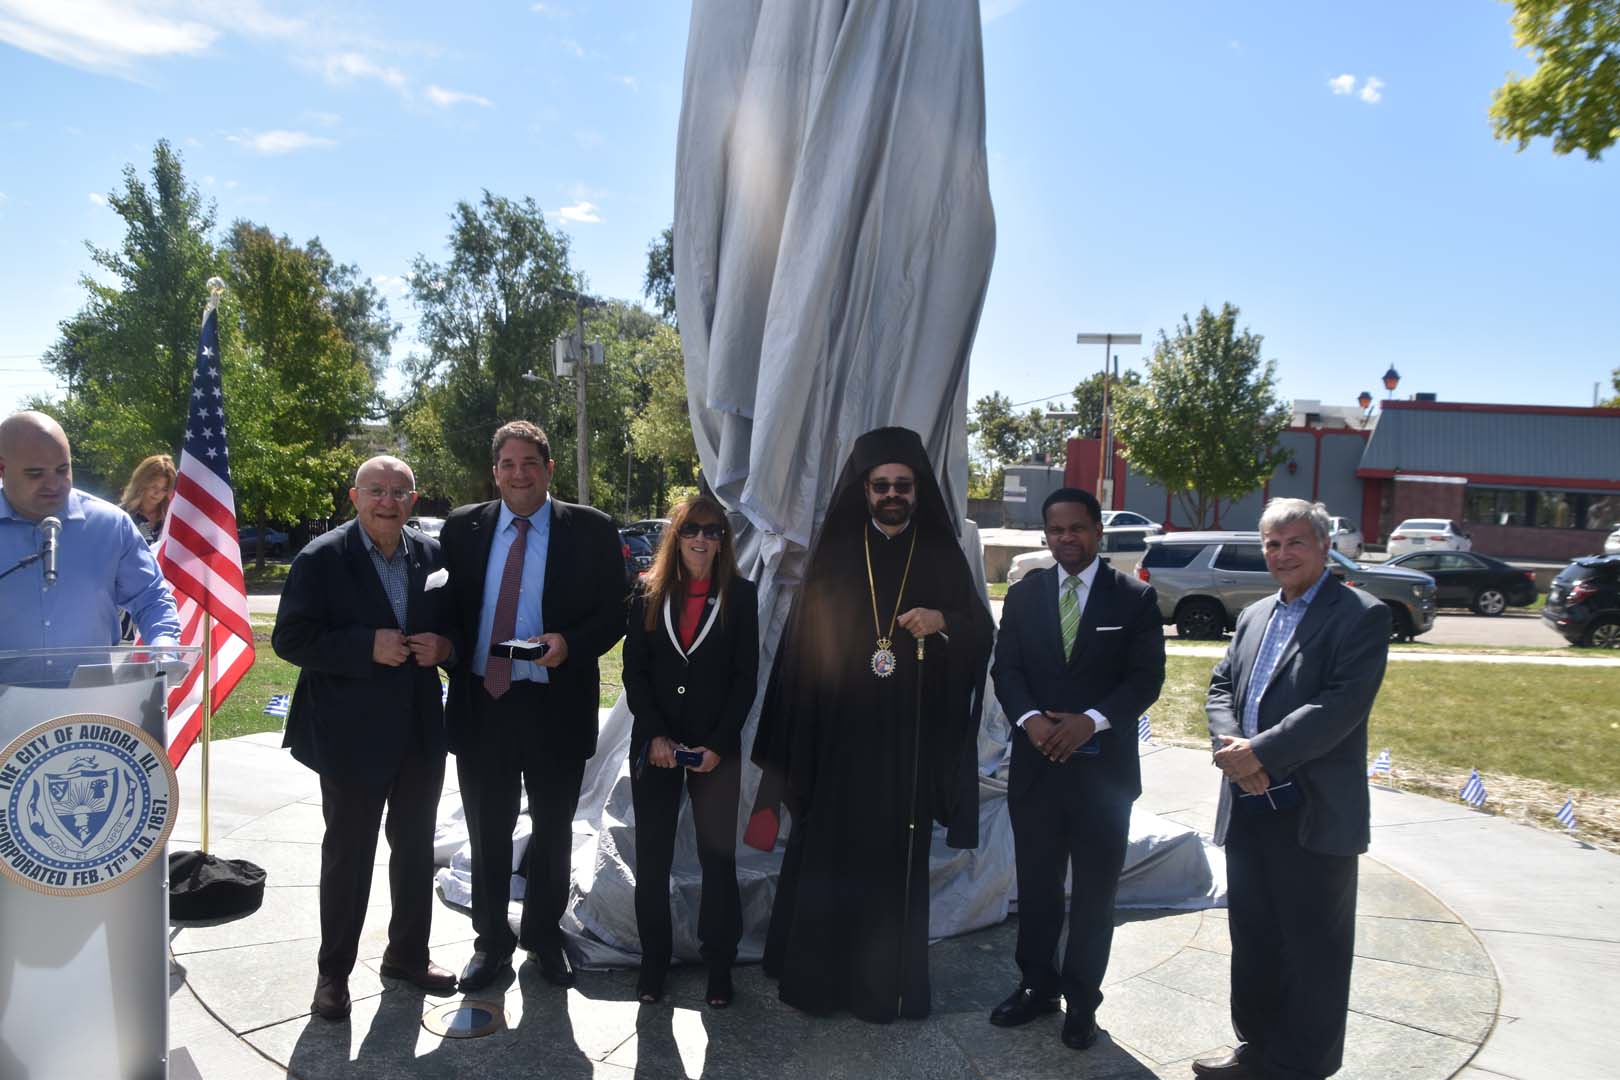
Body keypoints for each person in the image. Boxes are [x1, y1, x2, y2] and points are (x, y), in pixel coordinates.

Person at [752, 426, 994, 1022]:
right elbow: (798, 656)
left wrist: (942, 620)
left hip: (904, 748)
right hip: (836, 745)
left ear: (917, 490)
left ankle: (882, 986)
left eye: (902, 485)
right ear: (864, 490)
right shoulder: (836, 552)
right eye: (881, 485)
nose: (891, 494)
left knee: (891, 864)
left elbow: (980, 632)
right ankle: (817, 983)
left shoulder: (939, 553)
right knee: (827, 860)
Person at [1194, 498, 1391, 1080]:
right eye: (1272, 544)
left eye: (1295, 542)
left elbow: (1340, 706)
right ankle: (1255, 1049)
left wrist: (1261, 753)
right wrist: (1235, 753)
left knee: (1313, 950)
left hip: (1314, 812)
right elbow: (1221, 686)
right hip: (1249, 805)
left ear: (1325, 546)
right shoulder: (1255, 614)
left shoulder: (1361, 614)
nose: (1281, 554)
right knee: (1254, 939)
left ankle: (1302, 1066)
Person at [440, 421, 626, 993]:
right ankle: (490, 942)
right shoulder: (463, 528)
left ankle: (544, 937)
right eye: (508, 464)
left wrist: (570, 643)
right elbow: (445, 606)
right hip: (483, 704)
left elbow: (615, 611)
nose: (518, 474)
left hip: (555, 704)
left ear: (549, 468)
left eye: (530, 463)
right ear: (494, 472)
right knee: (488, 830)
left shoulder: (591, 530)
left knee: (551, 832)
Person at [271, 455, 458, 1020]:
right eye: (375, 490)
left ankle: (407, 954)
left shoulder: (431, 555)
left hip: (419, 731)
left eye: (399, 492)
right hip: (349, 735)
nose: (387, 501)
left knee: (414, 850)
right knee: (349, 855)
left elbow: (455, 622)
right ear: (355, 497)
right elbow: (290, 638)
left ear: (414, 501)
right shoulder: (321, 557)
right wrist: (362, 645)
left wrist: (444, 648)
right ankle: (333, 974)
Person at [989, 487, 1165, 1050]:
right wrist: (1029, 721)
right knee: (1037, 889)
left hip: (1103, 778)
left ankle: (1082, 1003)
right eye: (1057, 530)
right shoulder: (1024, 595)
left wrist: (1090, 721)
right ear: (1047, 535)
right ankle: (1035, 987)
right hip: (1037, 770)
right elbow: (1006, 670)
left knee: (1094, 895)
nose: (1067, 538)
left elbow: (1145, 679)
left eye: (1077, 528)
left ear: (1098, 531)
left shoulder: (1133, 599)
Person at [622, 496, 758, 1008]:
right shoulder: (646, 592)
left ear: (724, 540)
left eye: (713, 531)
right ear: (675, 537)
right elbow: (634, 672)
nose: (701, 539)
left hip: (714, 752)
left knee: (717, 860)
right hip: (654, 748)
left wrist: (719, 745)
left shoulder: (741, 597)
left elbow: (745, 678)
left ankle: (719, 965)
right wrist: (655, 734)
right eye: (691, 530)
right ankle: (653, 963)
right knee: (652, 860)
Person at [0, 411, 180, 658]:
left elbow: (151, 597)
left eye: (63, 470)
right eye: (35, 474)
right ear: (2, 468)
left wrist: (164, 645)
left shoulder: (110, 526)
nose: (53, 484)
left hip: (92, 694)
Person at [119, 453, 176, 543]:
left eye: (164, 489)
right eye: (154, 486)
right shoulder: (121, 514)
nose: (157, 493)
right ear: (141, 482)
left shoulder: (170, 518)